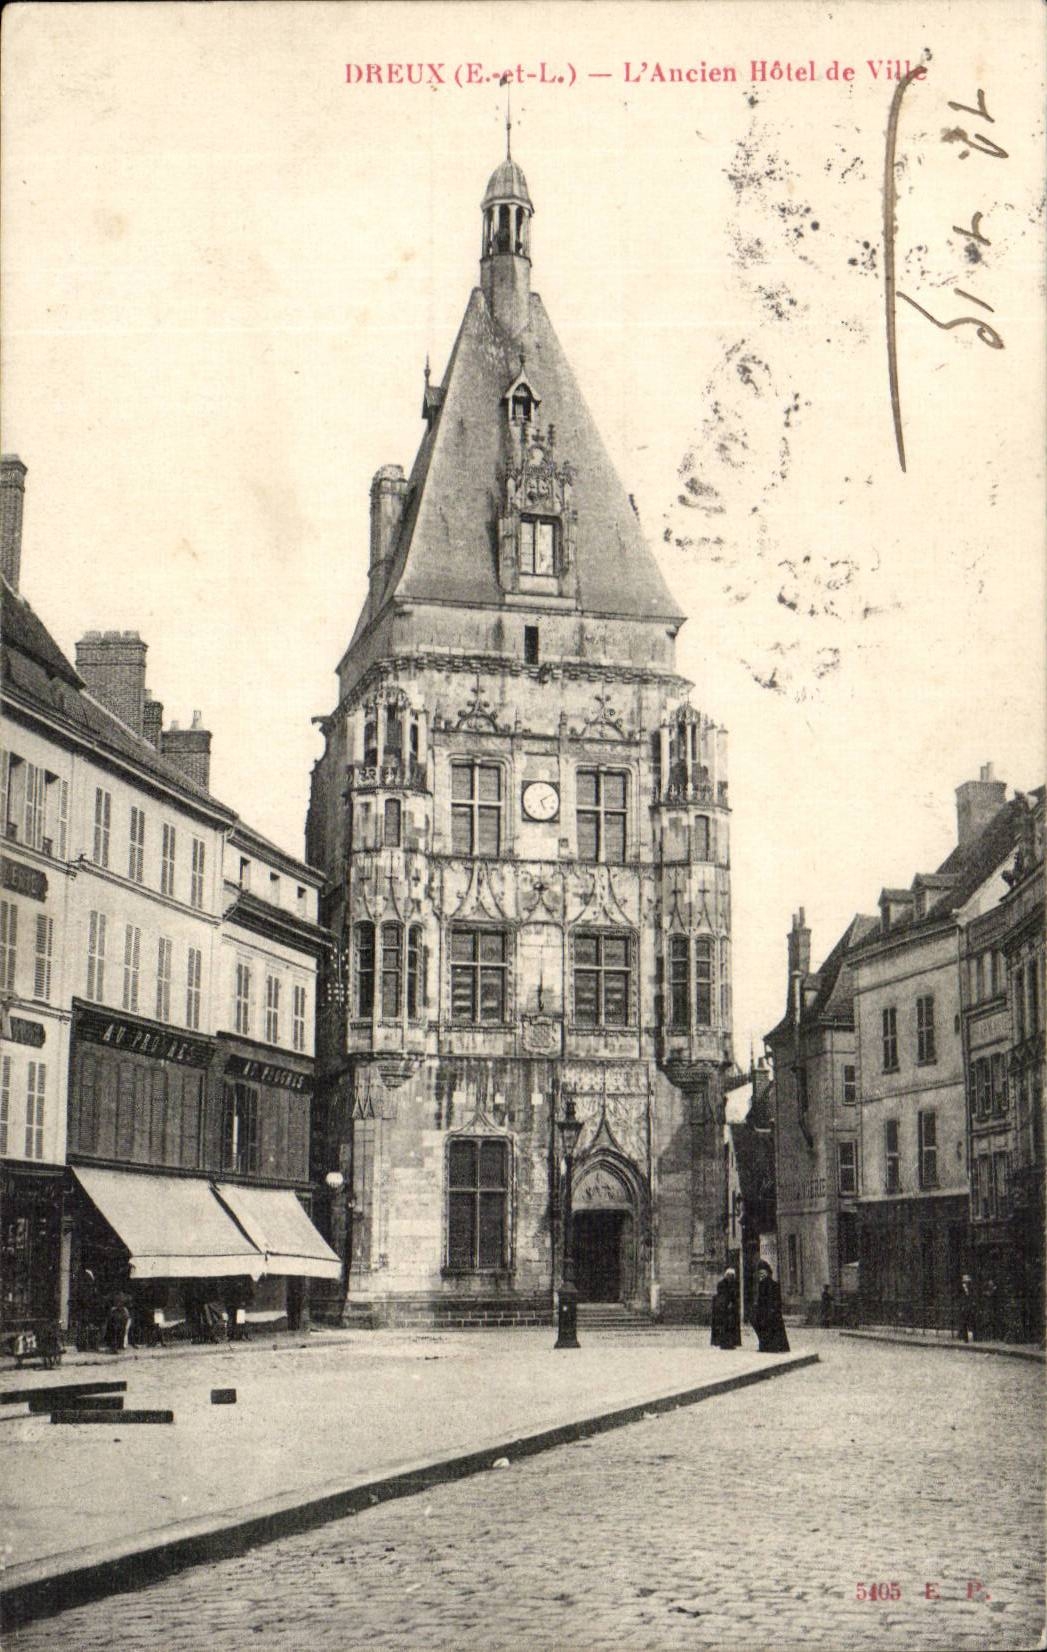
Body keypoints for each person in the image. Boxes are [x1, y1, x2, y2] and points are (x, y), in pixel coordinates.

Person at [750, 1260, 790, 1352]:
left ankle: (767, 1346)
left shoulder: (770, 1285)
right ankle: (768, 1346)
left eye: (762, 1273)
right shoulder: (767, 1285)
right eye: (760, 1273)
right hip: (769, 1312)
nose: (761, 1275)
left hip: (770, 1312)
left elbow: (775, 1300)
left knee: (767, 1329)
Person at [710, 1267, 742, 1349]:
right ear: (726, 1275)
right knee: (725, 1327)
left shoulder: (734, 1283)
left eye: (732, 1275)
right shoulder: (722, 1284)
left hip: (731, 1310)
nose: (730, 1277)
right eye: (729, 1275)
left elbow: (735, 1295)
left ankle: (731, 1343)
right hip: (724, 1310)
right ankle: (724, 1343)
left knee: (731, 1327)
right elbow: (722, 1296)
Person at [956, 1274, 977, 1342]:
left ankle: (975, 1338)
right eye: (965, 1281)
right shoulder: (960, 1288)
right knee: (964, 1323)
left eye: (967, 1281)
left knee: (972, 1322)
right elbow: (958, 1297)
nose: (966, 1283)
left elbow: (973, 1295)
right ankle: (965, 1339)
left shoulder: (971, 1288)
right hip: (964, 1307)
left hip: (970, 1307)